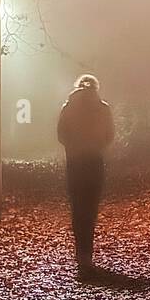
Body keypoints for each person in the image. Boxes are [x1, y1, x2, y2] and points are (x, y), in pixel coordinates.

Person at [57, 73, 114, 278]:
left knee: (77, 206)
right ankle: (87, 255)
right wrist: (96, 147)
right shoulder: (103, 108)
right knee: (90, 208)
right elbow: (110, 135)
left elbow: (61, 134)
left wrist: (73, 147)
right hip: (94, 162)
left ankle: (80, 255)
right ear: (96, 88)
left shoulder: (68, 107)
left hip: (75, 162)